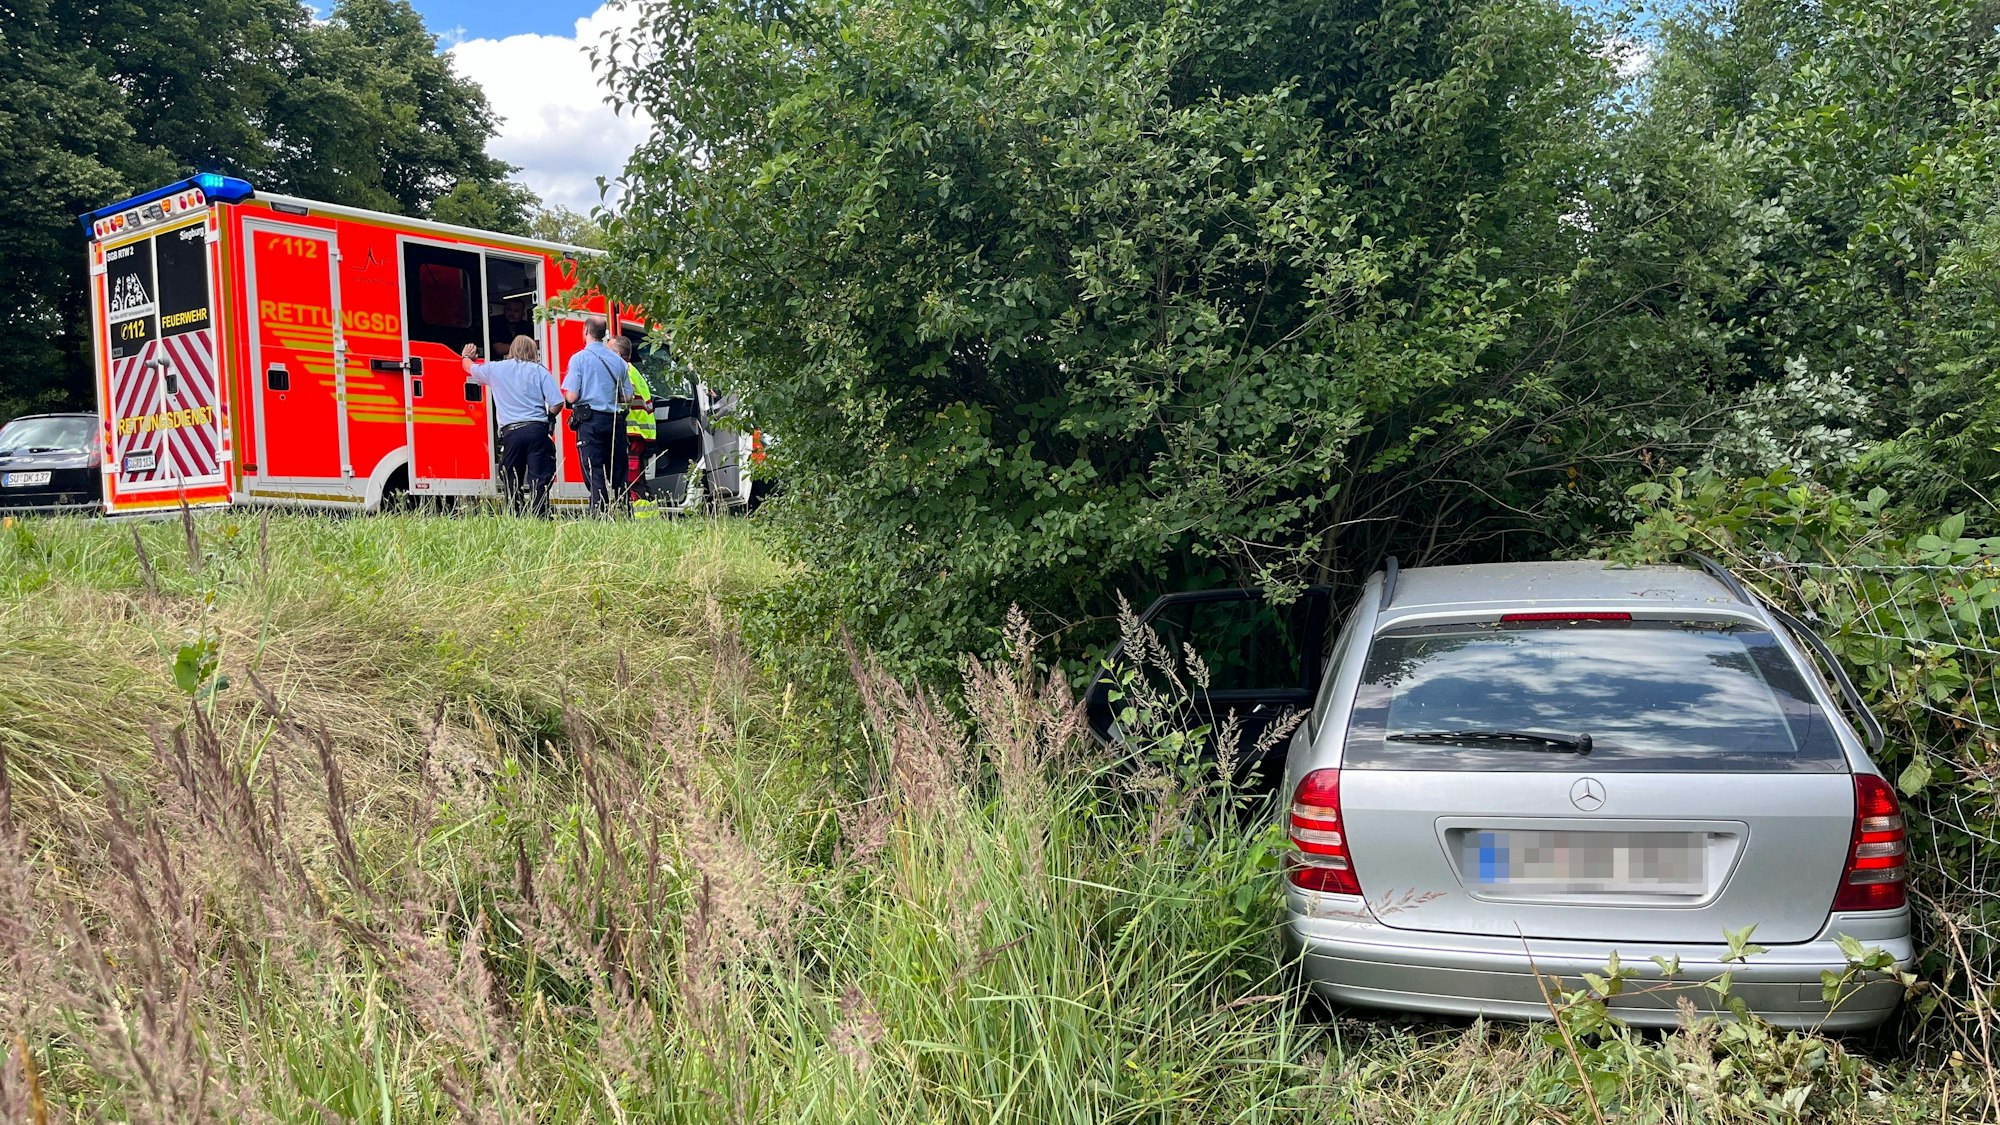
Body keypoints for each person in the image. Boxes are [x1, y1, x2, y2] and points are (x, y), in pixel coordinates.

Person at [460, 335, 561, 516]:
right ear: (533, 352)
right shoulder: (540, 371)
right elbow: (557, 402)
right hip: (537, 430)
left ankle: (515, 513)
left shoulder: (496, 369)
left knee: (511, 478)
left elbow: (470, 369)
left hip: (511, 433)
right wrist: (549, 417)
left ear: (511, 350)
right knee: (539, 477)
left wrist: (466, 357)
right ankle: (540, 516)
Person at [561, 315, 643, 513]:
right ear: (604, 334)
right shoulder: (619, 362)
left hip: (590, 423)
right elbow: (628, 397)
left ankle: (600, 514)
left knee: (595, 470)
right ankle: (624, 512)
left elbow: (571, 397)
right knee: (618, 473)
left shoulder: (579, 359)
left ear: (586, 331)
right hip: (615, 422)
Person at [607, 336, 656, 507]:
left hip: (632, 433)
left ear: (618, 354)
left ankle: (639, 516)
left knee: (632, 478)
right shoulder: (633, 370)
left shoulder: (625, 371)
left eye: (609, 351)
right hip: (639, 434)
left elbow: (623, 399)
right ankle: (643, 513)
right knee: (637, 478)